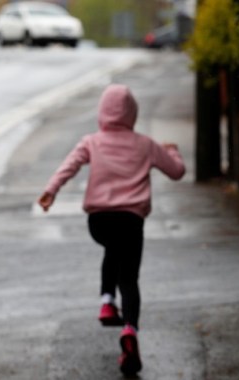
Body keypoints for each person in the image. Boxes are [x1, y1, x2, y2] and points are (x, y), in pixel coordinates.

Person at [37, 84, 185, 376]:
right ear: (132, 113)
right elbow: (176, 172)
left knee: (112, 250)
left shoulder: (91, 141)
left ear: (102, 112)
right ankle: (129, 329)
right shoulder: (145, 144)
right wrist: (172, 151)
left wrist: (50, 191)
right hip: (131, 221)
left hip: (100, 222)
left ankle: (106, 301)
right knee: (129, 278)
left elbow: (69, 166)